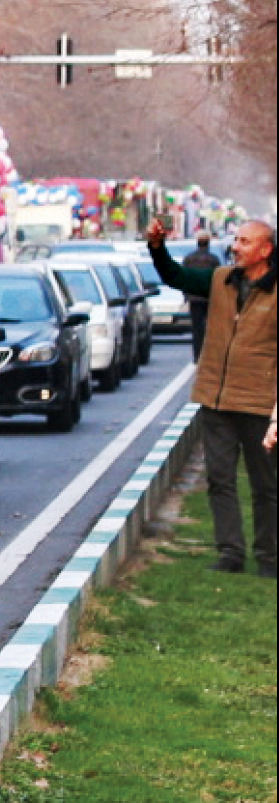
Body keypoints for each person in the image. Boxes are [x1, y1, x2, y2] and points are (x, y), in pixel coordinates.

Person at [147, 215, 276, 576]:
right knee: (220, 480)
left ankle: (269, 556)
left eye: (245, 242)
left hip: (260, 403)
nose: (235, 247)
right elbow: (175, 276)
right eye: (236, 240)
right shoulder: (220, 280)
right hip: (216, 400)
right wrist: (157, 248)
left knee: (266, 484)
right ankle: (230, 553)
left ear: (265, 250)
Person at [181, 232, 222, 349]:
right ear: (208, 244)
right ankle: (206, 351)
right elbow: (218, 279)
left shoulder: (189, 259)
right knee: (209, 327)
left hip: (194, 298)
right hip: (209, 297)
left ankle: (197, 353)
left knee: (196, 327)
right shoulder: (213, 259)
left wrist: (186, 296)